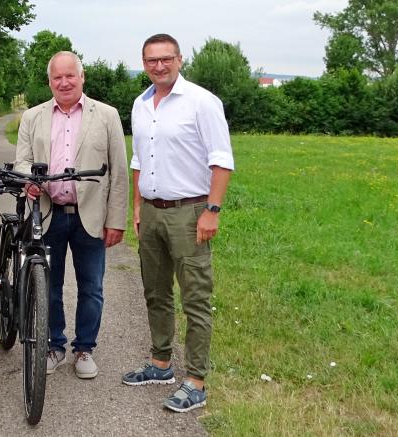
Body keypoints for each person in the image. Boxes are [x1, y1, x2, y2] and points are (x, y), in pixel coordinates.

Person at [120, 34, 234, 414]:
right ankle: (161, 363)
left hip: (189, 211)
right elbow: (138, 161)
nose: (158, 66)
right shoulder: (140, 103)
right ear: (144, 61)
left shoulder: (202, 101)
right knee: (155, 292)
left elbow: (222, 160)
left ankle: (196, 380)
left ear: (179, 60)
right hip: (151, 211)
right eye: (151, 60)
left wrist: (211, 210)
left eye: (166, 59)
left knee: (195, 297)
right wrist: (138, 207)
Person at [14, 51, 129, 379]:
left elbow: (118, 172)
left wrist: (116, 219)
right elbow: (22, 160)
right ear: (49, 81)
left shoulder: (106, 116)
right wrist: (29, 181)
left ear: (82, 77)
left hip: (89, 216)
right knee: (48, 285)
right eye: (57, 77)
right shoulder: (33, 117)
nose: (64, 82)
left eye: (70, 76)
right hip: (48, 215)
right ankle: (54, 345)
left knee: (91, 285)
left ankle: (84, 349)